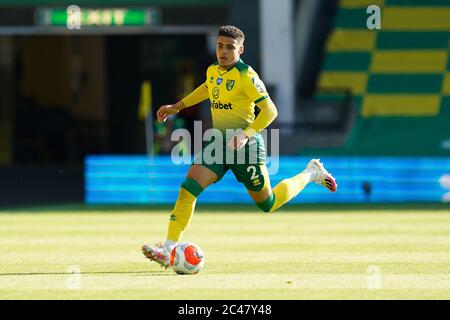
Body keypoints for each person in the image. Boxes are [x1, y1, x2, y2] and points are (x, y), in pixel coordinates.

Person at [142, 25, 337, 269]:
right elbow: (208, 87)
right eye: (220, 46)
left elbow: (270, 111)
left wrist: (246, 135)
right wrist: (177, 106)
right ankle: (169, 248)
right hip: (218, 144)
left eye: (229, 48)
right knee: (188, 188)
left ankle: (311, 173)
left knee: (268, 203)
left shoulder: (247, 76)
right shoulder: (213, 70)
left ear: (241, 49)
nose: (223, 52)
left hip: (246, 147)